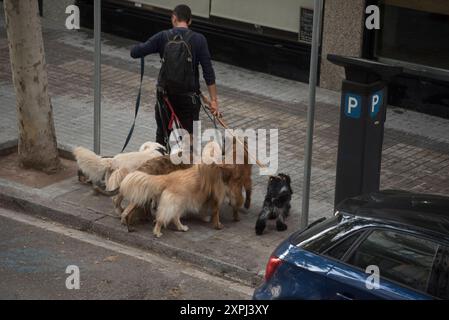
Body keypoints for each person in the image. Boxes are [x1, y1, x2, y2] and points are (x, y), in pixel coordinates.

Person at [130, 4, 219, 147]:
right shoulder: (199, 40)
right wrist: (214, 100)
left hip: (165, 97)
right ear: (189, 21)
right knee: (190, 140)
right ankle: (187, 166)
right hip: (189, 99)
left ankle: (161, 161)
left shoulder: (162, 36)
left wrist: (138, 48)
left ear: (174, 18)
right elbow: (208, 72)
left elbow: (135, 53)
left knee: (162, 136)